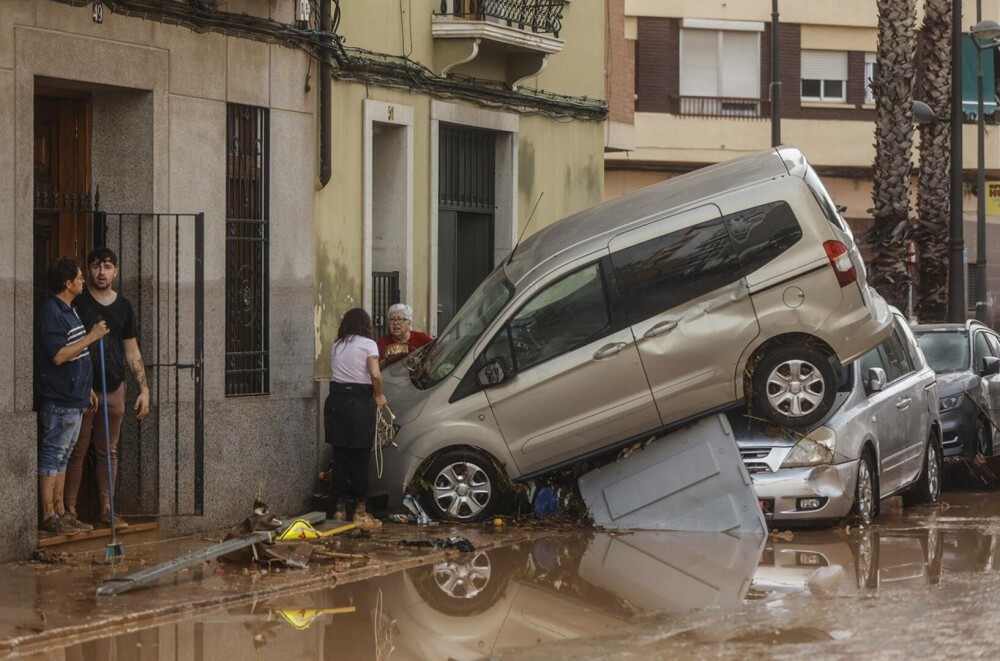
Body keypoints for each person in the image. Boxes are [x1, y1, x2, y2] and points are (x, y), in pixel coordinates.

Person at [64, 248, 150, 531]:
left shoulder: (124, 306)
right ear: (88, 270)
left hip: (114, 387)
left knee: (108, 451)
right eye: (97, 266)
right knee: (77, 449)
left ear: (116, 272)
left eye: (108, 266)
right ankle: (70, 512)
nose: (102, 272)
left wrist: (143, 388)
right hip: (83, 389)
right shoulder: (78, 303)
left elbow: (132, 350)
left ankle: (107, 510)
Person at [35, 257, 109, 535]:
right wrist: (92, 336)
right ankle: (48, 515)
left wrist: (87, 388)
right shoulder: (52, 312)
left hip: (76, 398)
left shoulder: (69, 310)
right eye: (79, 277)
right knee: (53, 454)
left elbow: (75, 353)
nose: (83, 281)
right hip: (60, 400)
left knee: (64, 455)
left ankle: (61, 512)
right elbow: (58, 355)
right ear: (68, 283)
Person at [325, 308, 387, 528]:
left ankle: (339, 510)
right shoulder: (369, 344)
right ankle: (360, 511)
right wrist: (379, 394)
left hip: (336, 401)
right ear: (366, 325)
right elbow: (375, 373)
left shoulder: (337, 345)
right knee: (360, 458)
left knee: (340, 457)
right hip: (359, 403)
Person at [376, 303, 433, 368]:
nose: (395, 323)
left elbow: (437, 348)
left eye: (400, 319)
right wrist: (388, 360)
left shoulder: (421, 338)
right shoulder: (383, 342)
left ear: (409, 323)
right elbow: (376, 366)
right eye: (391, 319)